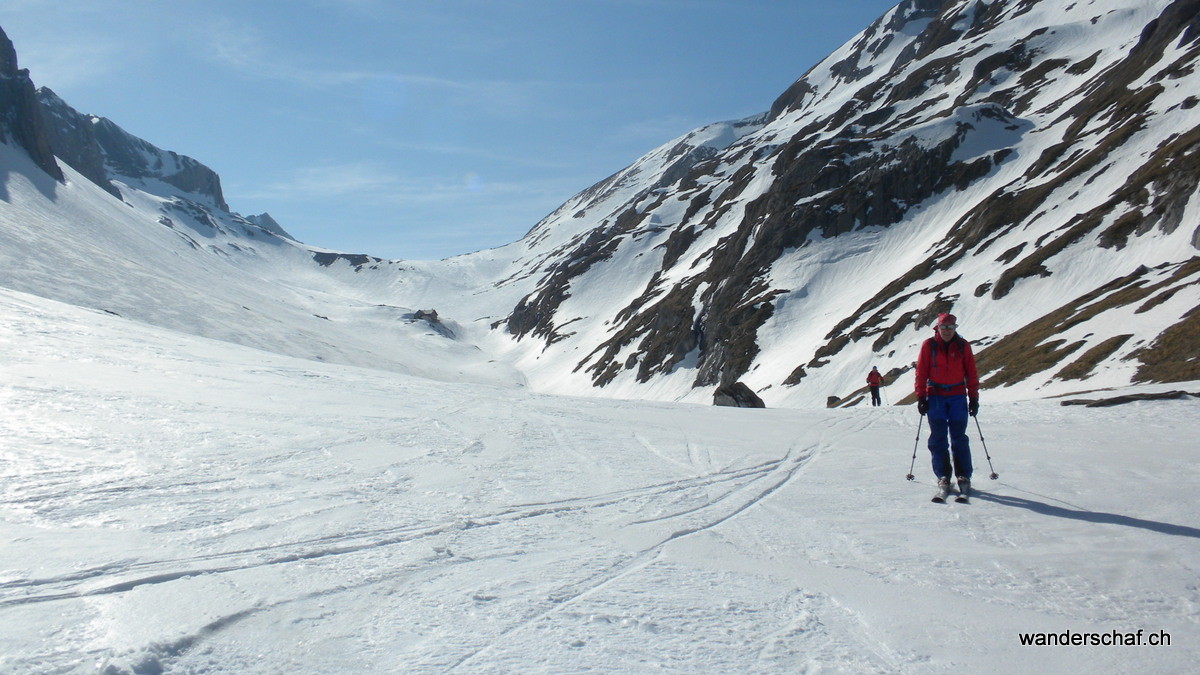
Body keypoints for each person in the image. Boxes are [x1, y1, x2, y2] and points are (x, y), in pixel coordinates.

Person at [914, 313, 980, 495]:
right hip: (935, 396)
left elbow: (971, 372)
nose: (947, 331)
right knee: (938, 437)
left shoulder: (963, 346)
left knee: (959, 437)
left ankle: (963, 475)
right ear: (938, 327)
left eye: (951, 327)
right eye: (944, 327)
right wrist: (921, 397)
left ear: (955, 328)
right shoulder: (929, 346)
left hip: (958, 395)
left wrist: (973, 397)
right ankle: (943, 475)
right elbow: (921, 371)